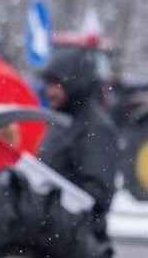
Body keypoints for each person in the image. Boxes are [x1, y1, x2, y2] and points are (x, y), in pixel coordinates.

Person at [38, 47, 118, 217]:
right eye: (48, 84)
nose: (49, 92)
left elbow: (97, 194)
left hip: (76, 235)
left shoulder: (94, 128)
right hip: (54, 229)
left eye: (56, 84)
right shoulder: (61, 121)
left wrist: (59, 208)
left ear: (75, 84)